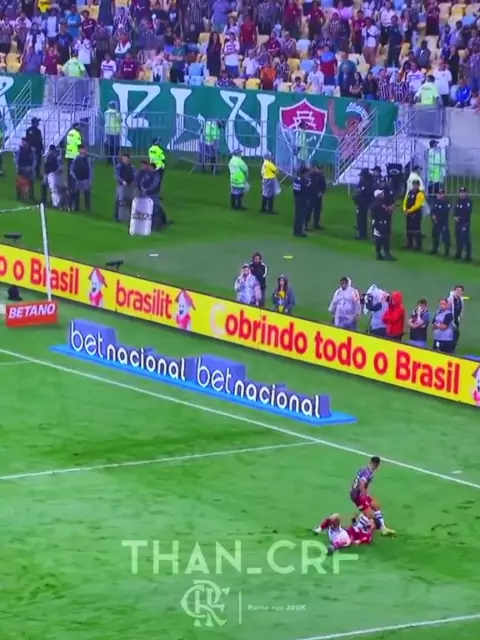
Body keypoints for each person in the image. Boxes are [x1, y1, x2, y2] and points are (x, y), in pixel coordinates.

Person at [349, 457, 393, 535]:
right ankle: (354, 530)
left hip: (356, 492)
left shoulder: (364, 468)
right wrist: (364, 496)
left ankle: (383, 528)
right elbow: (362, 484)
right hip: (357, 495)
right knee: (369, 515)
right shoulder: (368, 472)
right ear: (377, 465)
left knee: (376, 506)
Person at [138, 162, 166, 229]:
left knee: (155, 209)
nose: (149, 168)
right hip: (146, 194)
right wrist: (143, 188)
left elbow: (154, 185)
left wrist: (147, 189)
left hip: (154, 194)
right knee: (147, 209)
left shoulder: (156, 175)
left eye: (150, 167)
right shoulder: (147, 174)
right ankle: (148, 224)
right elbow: (142, 182)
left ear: (153, 168)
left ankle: (156, 225)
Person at [372, 189, 395, 261]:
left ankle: (378, 254)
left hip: (376, 223)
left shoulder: (374, 204)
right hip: (382, 223)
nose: (383, 194)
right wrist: (391, 208)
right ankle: (387, 255)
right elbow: (388, 211)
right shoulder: (380, 204)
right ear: (378, 195)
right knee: (385, 239)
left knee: (378, 239)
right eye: (381, 193)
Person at [403, 179, 426, 250]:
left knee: (416, 230)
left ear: (418, 185)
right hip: (409, 214)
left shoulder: (420, 194)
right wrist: (405, 209)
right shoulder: (410, 192)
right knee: (409, 229)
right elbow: (405, 201)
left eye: (416, 185)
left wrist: (409, 211)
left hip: (416, 214)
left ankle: (418, 245)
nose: (415, 186)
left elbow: (417, 205)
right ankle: (409, 243)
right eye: (414, 184)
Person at [69, 145, 92, 211]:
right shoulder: (76, 159)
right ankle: (76, 207)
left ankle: (88, 208)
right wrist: (73, 175)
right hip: (78, 179)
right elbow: (71, 168)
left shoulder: (88, 159)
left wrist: (90, 179)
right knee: (76, 193)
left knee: (87, 193)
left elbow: (90, 170)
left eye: (82, 149)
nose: (81, 150)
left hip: (85, 179)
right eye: (80, 149)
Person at [114, 153, 136, 222]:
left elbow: (135, 175)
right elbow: (116, 175)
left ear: (129, 159)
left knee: (129, 201)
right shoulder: (119, 166)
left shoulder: (132, 167)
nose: (124, 160)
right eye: (123, 158)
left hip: (129, 186)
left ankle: (129, 216)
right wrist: (122, 181)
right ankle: (117, 216)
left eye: (125, 158)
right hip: (121, 186)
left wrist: (133, 183)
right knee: (119, 200)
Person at [453, 187, 473, 262]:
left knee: (465, 239)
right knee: (458, 238)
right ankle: (458, 253)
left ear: (466, 193)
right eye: (461, 192)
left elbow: (467, 213)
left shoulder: (468, 202)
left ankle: (468, 255)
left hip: (465, 223)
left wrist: (460, 218)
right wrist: (455, 217)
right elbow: (455, 210)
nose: (462, 194)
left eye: (463, 192)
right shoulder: (458, 201)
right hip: (458, 223)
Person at [430, 188, 451, 256]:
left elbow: (445, 212)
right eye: (439, 194)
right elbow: (432, 210)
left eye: (441, 194)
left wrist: (437, 217)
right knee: (435, 236)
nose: (439, 195)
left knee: (445, 237)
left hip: (443, 223)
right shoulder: (436, 202)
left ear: (444, 194)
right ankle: (435, 249)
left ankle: (447, 251)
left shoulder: (447, 202)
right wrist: (433, 216)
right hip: (436, 222)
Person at [354, 168, 374, 240]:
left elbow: (362, 192)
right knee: (362, 218)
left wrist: (358, 198)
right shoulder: (368, 180)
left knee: (361, 218)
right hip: (365, 201)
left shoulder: (367, 182)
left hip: (364, 202)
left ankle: (362, 234)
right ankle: (363, 233)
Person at [306, 164, 327, 230]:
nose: (319, 170)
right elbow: (308, 185)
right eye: (318, 169)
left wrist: (321, 192)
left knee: (318, 210)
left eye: (320, 169)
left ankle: (316, 224)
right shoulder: (311, 176)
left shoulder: (321, 176)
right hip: (311, 196)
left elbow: (324, 186)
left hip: (318, 196)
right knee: (309, 210)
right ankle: (305, 224)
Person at [292, 165, 309, 237]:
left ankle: (296, 231)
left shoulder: (296, 180)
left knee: (297, 215)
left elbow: (294, 191)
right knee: (301, 216)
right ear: (304, 173)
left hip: (297, 198)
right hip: (302, 199)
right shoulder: (305, 181)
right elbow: (306, 191)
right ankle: (299, 232)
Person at [104, 101, 122, 166]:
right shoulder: (117, 113)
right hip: (115, 131)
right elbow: (120, 120)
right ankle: (115, 159)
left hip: (108, 131)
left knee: (109, 146)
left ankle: (109, 159)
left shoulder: (106, 112)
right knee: (116, 146)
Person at [447, 285, 465, 351]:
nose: (459, 292)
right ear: (454, 291)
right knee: (453, 333)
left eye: (460, 290)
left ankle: (452, 347)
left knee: (456, 334)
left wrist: (459, 317)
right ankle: (449, 348)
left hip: (456, 319)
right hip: (450, 320)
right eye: (457, 290)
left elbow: (461, 308)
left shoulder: (461, 299)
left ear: (462, 292)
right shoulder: (450, 299)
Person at [65, 123, 82, 190]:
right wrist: (83, 152)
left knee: (69, 170)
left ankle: (69, 184)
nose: (80, 128)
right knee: (74, 171)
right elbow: (79, 145)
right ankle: (73, 186)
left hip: (69, 154)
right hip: (75, 155)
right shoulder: (76, 134)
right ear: (76, 127)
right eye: (79, 126)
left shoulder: (69, 132)